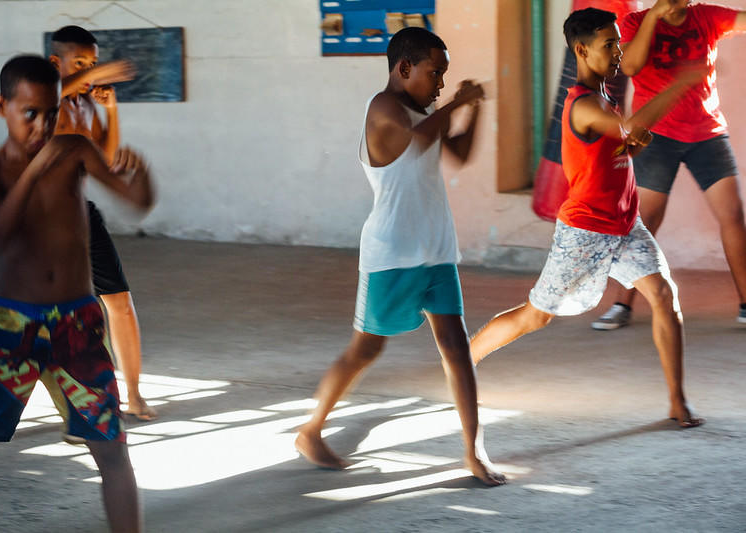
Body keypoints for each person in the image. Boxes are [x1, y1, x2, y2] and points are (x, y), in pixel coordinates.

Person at [469, 8, 704, 428]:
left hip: (626, 226)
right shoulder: (581, 103)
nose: (619, 52)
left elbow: (613, 146)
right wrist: (680, 83)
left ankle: (676, 402)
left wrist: (628, 149)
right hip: (585, 231)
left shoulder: (603, 99)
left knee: (665, 297)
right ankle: (463, 362)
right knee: (535, 315)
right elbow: (628, 128)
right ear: (581, 50)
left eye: (618, 42)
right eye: (609, 44)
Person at [0, 55, 153, 532]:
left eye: (51, 114)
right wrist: (34, 173)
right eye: (29, 113)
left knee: (112, 450)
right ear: (2, 106)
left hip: (76, 326)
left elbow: (137, 201)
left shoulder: (75, 150)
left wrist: (141, 176)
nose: (42, 126)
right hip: (8, 328)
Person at [295, 27, 506, 486]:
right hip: (391, 254)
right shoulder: (383, 107)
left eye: (444, 76)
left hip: (436, 249)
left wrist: (474, 110)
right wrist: (458, 103)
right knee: (365, 349)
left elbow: (459, 153)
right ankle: (310, 430)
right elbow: (420, 138)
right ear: (404, 68)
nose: (440, 84)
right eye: (436, 73)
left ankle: (474, 448)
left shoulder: (429, 108)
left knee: (456, 346)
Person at [592, 0, 746, 330]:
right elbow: (630, 67)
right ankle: (621, 304)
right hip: (656, 136)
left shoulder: (706, 16)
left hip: (707, 134)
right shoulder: (634, 22)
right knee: (644, 221)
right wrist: (655, 17)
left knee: (733, 215)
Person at [49, 25, 157, 419]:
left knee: (120, 304)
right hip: (43, 219)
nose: (89, 72)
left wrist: (111, 110)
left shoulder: (84, 106)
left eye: (91, 63)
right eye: (79, 64)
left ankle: (134, 393)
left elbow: (104, 161)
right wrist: (100, 72)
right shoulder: (46, 100)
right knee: (57, 317)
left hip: (81, 212)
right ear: (54, 63)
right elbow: (55, 91)